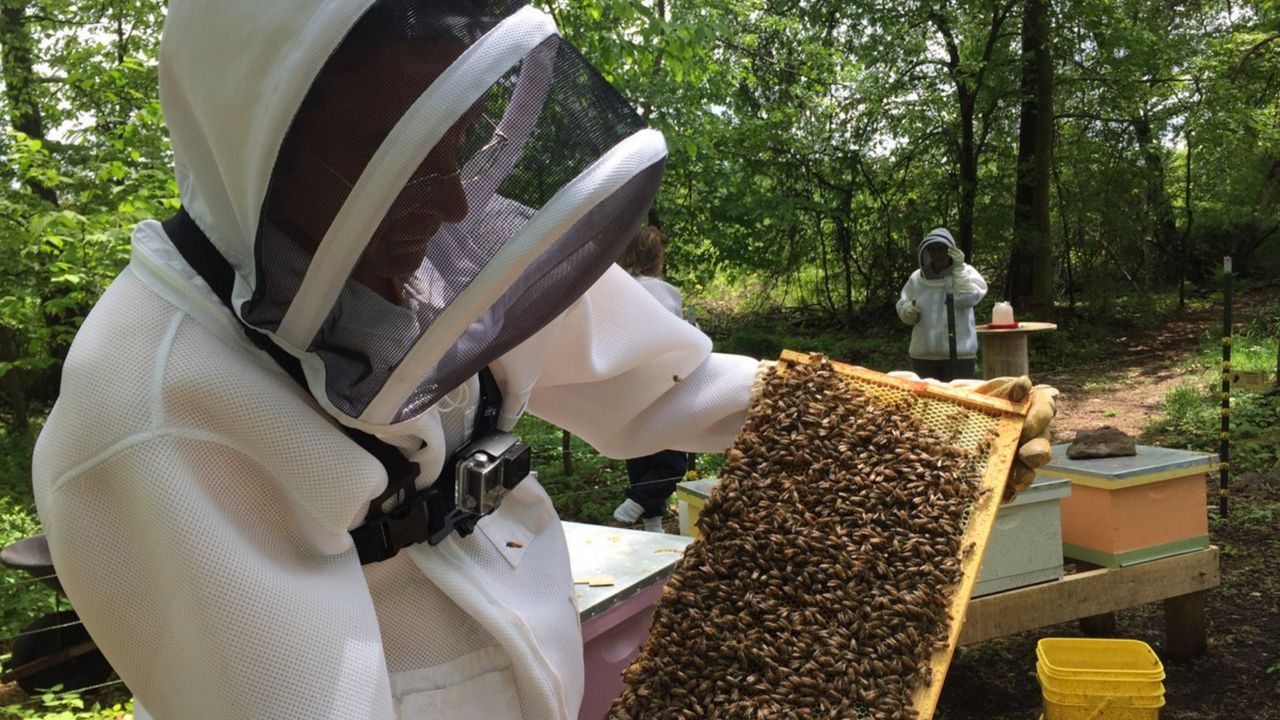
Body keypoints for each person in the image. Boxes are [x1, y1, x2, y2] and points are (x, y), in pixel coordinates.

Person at [31, 2, 1056, 718]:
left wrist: (910, 423)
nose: (443, 205)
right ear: (254, 153)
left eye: (457, 144)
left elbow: (670, 387)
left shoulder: (445, 247)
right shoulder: (154, 413)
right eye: (387, 164)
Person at [611, 226, 689, 533]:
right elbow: (677, 337)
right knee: (672, 462)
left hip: (624, 383)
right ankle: (627, 512)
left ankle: (652, 530)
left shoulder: (615, 288)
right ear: (653, 256)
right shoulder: (664, 291)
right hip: (660, 383)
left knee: (642, 455)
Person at [896, 227, 988, 382]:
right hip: (923, 355)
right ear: (927, 252)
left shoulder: (967, 273)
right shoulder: (916, 278)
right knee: (927, 403)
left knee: (958, 403)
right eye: (933, 249)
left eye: (942, 249)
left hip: (960, 355)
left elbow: (966, 299)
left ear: (950, 250)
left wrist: (959, 270)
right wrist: (907, 312)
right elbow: (903, 304)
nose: (938, 254)